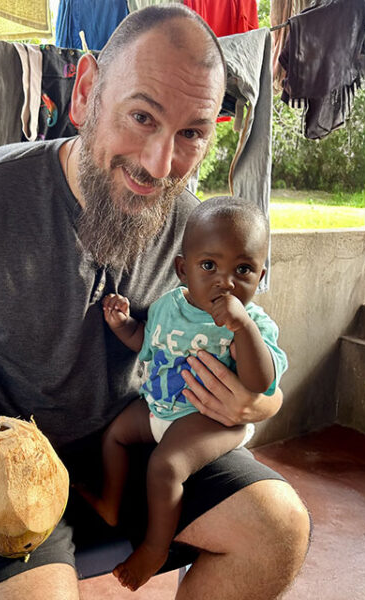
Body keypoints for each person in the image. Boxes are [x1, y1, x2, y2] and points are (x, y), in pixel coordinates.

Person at [0, 5, 311, 600]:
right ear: (86, 92)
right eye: (142, 116)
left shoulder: (200, 232)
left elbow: (255, 346)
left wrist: (263, 399)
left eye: (191, 133)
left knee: (278, 528)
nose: (159, 165)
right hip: (11, 468)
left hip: (147, 441)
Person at [79, 196, 288, 590]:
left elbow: (262, 381)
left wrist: (243, 329)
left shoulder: (254, 324)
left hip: (210, 420)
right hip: (160, 407)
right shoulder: (167, 306)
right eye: (209, 266)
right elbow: (147, 342)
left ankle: (154, 548)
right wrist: (123, 326)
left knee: (166, 467)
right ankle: (109, 505)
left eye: (243, 269)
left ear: (261, 276)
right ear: (182, 269)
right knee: (116, 435)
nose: (226, 281)